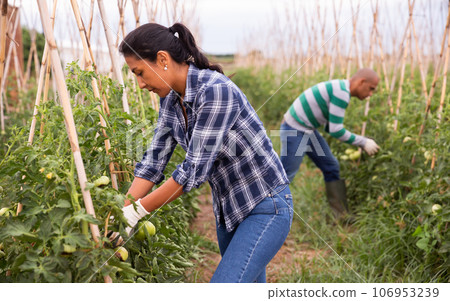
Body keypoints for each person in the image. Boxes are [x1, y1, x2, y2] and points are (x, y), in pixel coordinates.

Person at [111, 23, 293, 283]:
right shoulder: (171, 100)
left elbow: (192, 171)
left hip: (265, 206)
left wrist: (137, 211)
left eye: (140, 73)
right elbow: (153, 162)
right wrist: (124, 209)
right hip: (227, 210)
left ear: (162, 59)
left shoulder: (215, 91)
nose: (140, 84)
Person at [279, 69, 380, 220]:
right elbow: (336, 130)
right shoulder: (341, 93)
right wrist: (363, 142)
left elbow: (329, 126)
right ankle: (263, 212)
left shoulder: (340, 88)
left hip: (307, 130)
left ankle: (339, 215)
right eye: (371, 88)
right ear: (361, 82)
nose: (370, 94)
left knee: (331, 166)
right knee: (284, 176)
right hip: (295, 130)